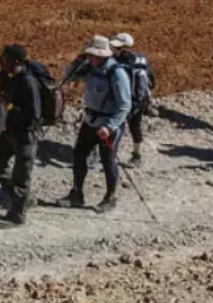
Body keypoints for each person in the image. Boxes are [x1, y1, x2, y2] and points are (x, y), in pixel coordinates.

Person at [56, 36, 131, 213]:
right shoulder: (90, 68)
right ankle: (77, 193)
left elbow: (125, 104)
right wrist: (77, 61)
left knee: (108, 160)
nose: (90, 58)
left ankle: (110, 197)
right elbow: (66, 78)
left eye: (92, 55)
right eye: (89, 54)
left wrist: (110, 126)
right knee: (79, 155)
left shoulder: (117, 73)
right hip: (89, 121)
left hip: (107, 126)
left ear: (103, 55)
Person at [0, 44, 42, 228]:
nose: (1, 60)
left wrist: (10, 106)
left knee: (21, 176)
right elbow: (4, 94)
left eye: (5, 58)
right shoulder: (7, 76)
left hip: (25, 135)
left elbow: (34, 115)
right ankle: (21, 198)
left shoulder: (28, 82)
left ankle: (17, 216)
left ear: (16, 61)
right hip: (8, 130)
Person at [110, 33, 155, 166]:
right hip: (140, 100)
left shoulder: (119, 60)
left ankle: (106, 154)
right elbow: (152, 79)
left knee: (112, 125)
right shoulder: (142, 58)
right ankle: (137, 155)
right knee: (135, 127)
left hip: (124, 99)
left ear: (124, 47)